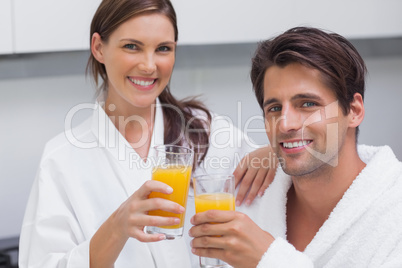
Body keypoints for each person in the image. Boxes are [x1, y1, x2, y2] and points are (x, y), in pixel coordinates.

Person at [18, 0, 276, 267]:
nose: (149, 66)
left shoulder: (208, 133)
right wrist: (117, 227)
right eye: (132, 46)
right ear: (98, 48)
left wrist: (275, 153)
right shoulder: (62, 159)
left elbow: (287, 202)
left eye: (163, 49)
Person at [189, 27, 402, 267]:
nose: (286, 124)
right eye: (274, 108)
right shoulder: (250, 197)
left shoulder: (394, 212)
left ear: (354, 111)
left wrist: (268, 260)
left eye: (308, 104)